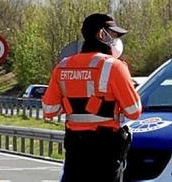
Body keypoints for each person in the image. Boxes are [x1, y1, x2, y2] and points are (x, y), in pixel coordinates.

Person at [42, 13, 142, 182]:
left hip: (75, 150)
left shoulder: (63, 66)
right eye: (114, 35)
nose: (116, 40)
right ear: (101, 34)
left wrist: (73, 102)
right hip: (105, 150)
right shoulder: (114, 67)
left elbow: (49, 109)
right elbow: (133, 112)